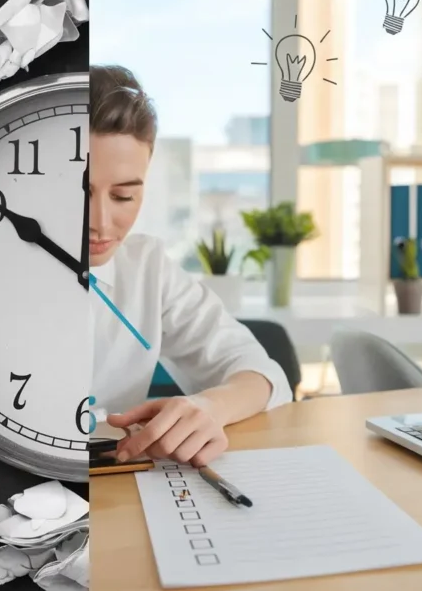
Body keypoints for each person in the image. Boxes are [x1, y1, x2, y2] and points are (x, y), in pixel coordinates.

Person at [89, 64, 293, 468]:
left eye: (124, 197)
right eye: (77, 191)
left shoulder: (146, 267)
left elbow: (264, 375)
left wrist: (209, 407)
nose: (100, 222)